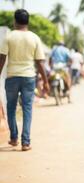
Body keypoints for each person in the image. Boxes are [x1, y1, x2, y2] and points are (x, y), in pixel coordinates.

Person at [0, 9, 49, 151]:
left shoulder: (8, 37)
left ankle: (14, 138)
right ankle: (26, 142)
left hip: (12, 77)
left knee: (11, 107)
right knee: (27, 109)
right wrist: (45, 81)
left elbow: (2, 58)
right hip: (29, 77)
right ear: (28, 21)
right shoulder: (34, 38)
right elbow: (40, 62)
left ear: (14, 21)